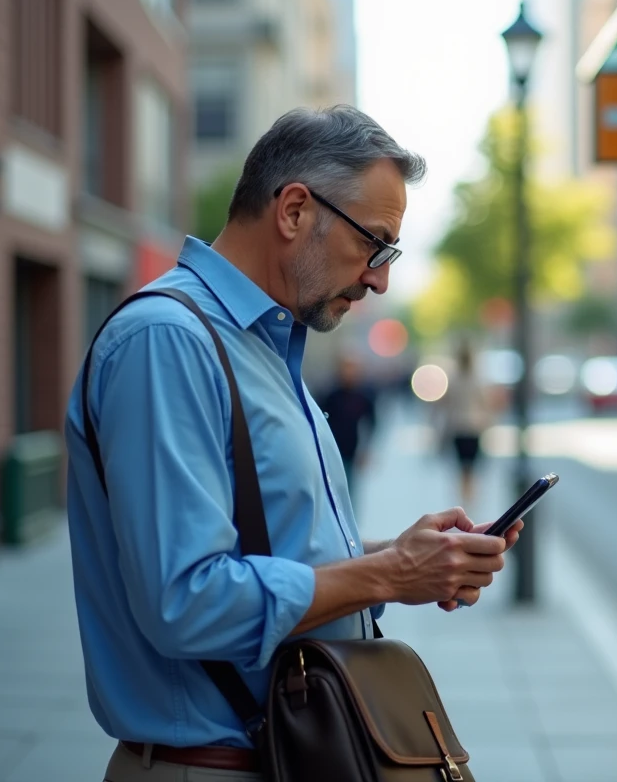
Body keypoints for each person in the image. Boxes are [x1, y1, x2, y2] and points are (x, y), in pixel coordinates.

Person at [63, 105, 523, 782]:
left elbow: (269, 548)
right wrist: (390, 575)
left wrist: (406, 556)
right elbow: (185, 601)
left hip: (277, 757)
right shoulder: (167, 341)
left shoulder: (264, 348)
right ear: (295, 211)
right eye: (375, 244)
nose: (379, 278)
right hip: (209, 765)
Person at [437, 341, 496, 509]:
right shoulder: (477, 379)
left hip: (458, 428)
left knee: (462, 468)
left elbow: (445, 404)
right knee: (471, 468)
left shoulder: (453, 379)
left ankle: (464, 500)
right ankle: (469, 500)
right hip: (473, 428)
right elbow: (485, 404)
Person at [319, 355, 379, 508]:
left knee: (349, 488)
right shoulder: (331, 395)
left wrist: (366, 450)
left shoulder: (364, 395)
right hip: (331, 449)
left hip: (352, 450)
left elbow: (372, 423)